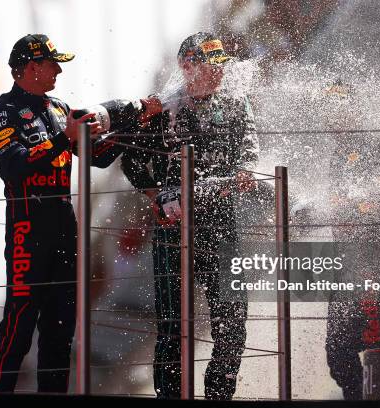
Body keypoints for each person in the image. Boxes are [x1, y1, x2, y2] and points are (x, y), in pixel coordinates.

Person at [0, 34, 153, 392]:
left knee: (60, 332)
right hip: (28, 232)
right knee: (18, 328)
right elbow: (13, 165)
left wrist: (137, 121)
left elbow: (100, 155)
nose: (59, 70)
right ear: (31, 67)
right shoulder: (1, 112)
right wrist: (64, 139)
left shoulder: (60, 109)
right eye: (52, 63)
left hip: (66, 231)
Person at [120, 32, 259, 400]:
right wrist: (156, 197)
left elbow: (249, 144)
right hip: (172, 225)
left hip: (221, 219)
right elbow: (132, 162)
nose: (217, 73)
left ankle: (218, 395)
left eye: (220, 66)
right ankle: (172, 397)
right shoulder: (163, 109)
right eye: (209, 66)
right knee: (173, 325)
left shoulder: (234, 102)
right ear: (187, 66)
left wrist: (245, 171)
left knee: (233, 320)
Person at [322, 81, 380, 400]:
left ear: (354, 110)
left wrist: (348, 209)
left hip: (370, 259)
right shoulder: (339, 155)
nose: (331, 117)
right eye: (327, 110)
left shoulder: (376, 150)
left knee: (376, 350)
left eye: (338, 108)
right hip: (345, 263)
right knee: (338, 354)